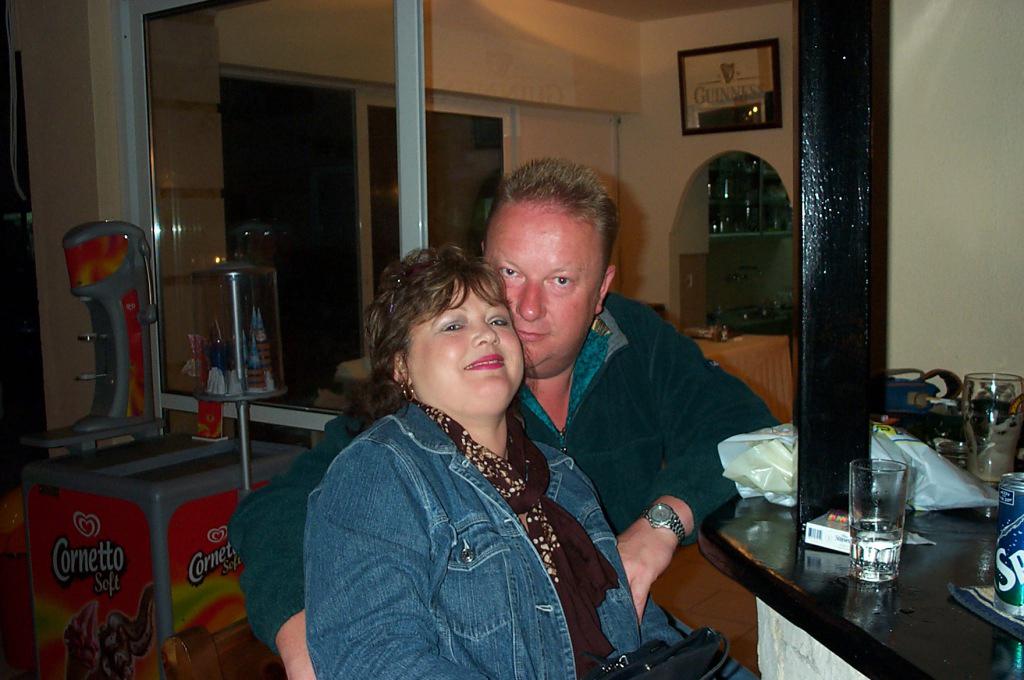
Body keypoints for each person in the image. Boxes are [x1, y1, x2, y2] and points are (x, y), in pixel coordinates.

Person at [229, 157, 776, 678]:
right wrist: (306, 640)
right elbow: (284, 511)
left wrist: (658, 528)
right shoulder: (423, 412)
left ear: (601, 291)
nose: (526, 308)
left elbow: (748, 429)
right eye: (509, 272)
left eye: (561, 280)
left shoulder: (629, 350)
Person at [305, 245, 683, 678]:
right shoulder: (380, 471)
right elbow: (373, 658)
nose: (486, 335)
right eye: (453, 325)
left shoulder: (561, 477)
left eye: (498, 320)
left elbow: (634, 620)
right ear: (401, 366)